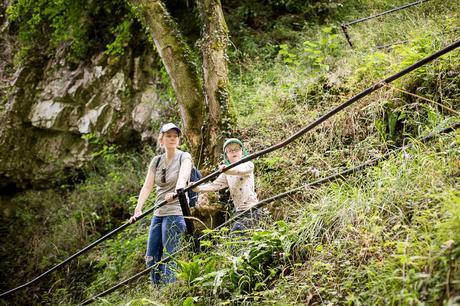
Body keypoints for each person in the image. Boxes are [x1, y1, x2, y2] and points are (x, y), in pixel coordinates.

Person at [130, 122, 192, 284]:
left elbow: (183, 177)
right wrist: (138, 209)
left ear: (178, 139)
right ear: (161, 140)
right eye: (168, 136)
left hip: (175, 211)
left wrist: (177, 191)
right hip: (159, 213)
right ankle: (157, 290)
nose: (172, 139)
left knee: (171, 254)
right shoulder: (156, 161)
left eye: (175, 136)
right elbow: (147, 186)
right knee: (151, 256)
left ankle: (170, 291)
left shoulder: (184, 157)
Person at [192, 138, 260, 232]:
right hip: (239, 210)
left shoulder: (248, 164)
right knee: (240, 236)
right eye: (229, 150)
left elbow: (238, 170)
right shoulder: (226, 173)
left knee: (238, 234)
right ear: (226, 155)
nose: (233, 152)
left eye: (236, 149)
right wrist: (198, 188)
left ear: (242, 151)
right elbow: (215, 185)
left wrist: (227, 169)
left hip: (252, 208)